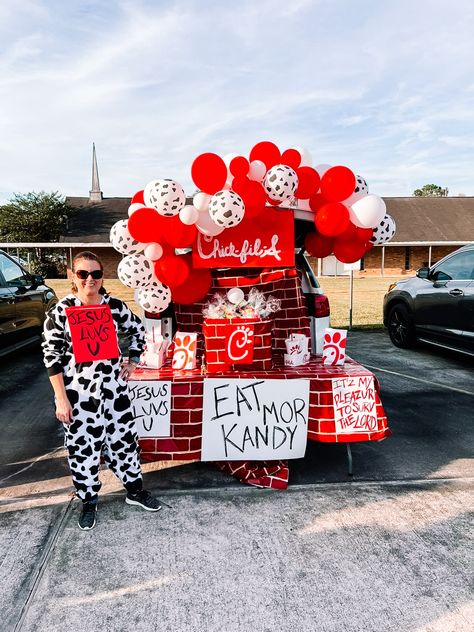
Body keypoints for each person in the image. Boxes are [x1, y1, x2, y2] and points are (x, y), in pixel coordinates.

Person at [42, 250, 161, 530]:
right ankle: (89, 501)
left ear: (102, 276)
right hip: (79, 396)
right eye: (83, 274)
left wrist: (132, 362)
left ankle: (135, 490)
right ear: (73, 276)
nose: (89, 279)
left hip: (114, 393)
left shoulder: (114, 307)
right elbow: (51, 357)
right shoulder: (61, 312)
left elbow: (138, 330)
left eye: (95, 274)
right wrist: (61, 398)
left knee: (124, 445)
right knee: (83, 450)